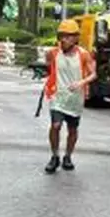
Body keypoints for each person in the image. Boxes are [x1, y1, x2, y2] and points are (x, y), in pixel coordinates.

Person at [43, 19, 96, 174]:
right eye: (62, 36)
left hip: (75, 98)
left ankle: (68, 156)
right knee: (56, 126)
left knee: (72, 129)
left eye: (68, 36)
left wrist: (81, 83)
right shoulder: (53, 53)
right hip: (57, 96)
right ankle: (54, 156)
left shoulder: (83, 54)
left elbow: (93, 74)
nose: (64, 39)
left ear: (75, 38)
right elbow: (48, 66)